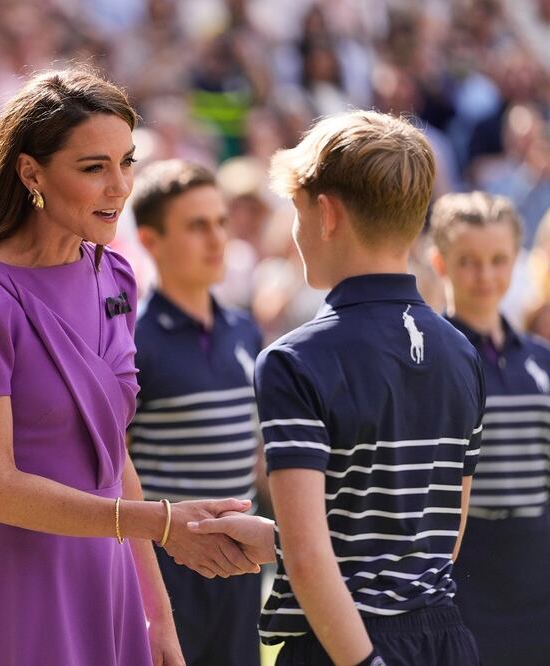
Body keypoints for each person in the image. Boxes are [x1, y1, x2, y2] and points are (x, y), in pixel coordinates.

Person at [0, 68, 256, 666]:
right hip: (22, 585)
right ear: (31, 173)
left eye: (127, 162)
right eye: (94, 167)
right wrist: (161, 523)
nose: (120, 187)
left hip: (114, 573)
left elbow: (112, 453)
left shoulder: (116, 275)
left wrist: (158, 616)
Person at [190, 111, 483, 666]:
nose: (295, 231)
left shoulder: (294, 359)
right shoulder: (461, 352)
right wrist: (274, 539)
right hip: (446, 642)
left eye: (297, 211)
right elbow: (429, 545)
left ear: (326, 214)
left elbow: (307, 559)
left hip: (342, 649)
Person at [128, 159, 263, 666]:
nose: (216, 238)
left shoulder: (245, 331)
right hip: (165, 573)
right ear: (151, 239)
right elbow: (115, 467)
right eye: (196, 225)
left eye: (221, 223)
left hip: (241, 569)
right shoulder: (131, 341)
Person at [428, 191, 550, 664]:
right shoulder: (431, 361)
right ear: (440, 263)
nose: (486, 276)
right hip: (464, 568)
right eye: (469, 261)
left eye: (499, 260)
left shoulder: (540, 360)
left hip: (537, 564)